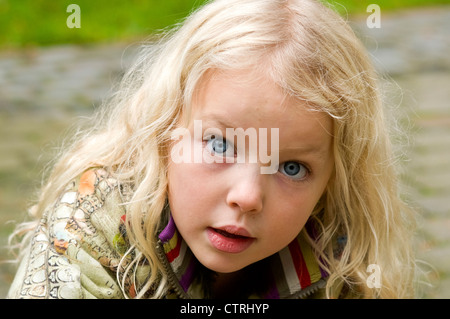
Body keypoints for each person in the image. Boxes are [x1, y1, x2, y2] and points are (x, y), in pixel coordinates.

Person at [7, 0, 417, 299]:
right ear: (166, 129)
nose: (248, 196)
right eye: (220, 144)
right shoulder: (88, 233)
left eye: (292, 167)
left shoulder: (344, 261)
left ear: (332, 181)